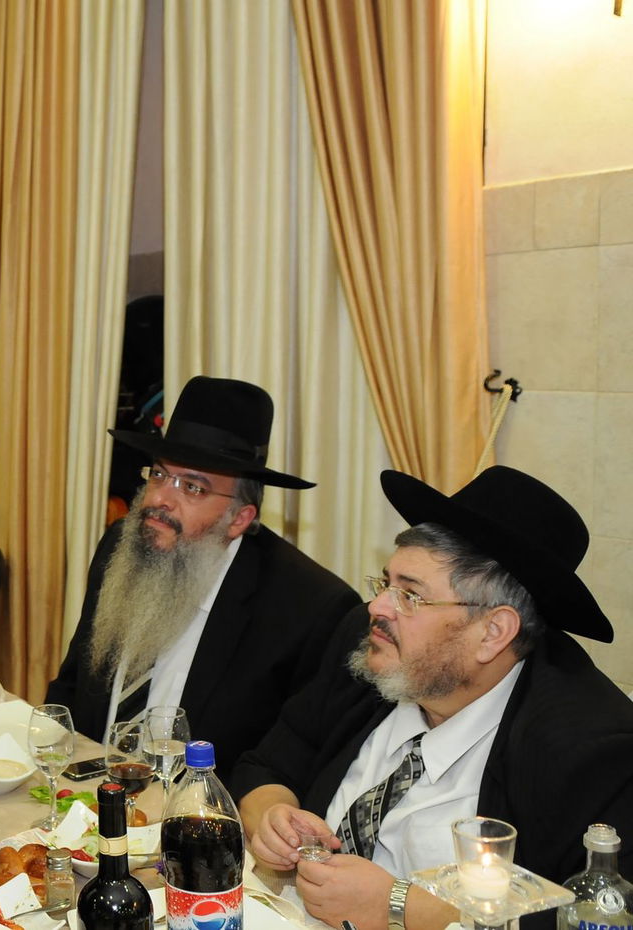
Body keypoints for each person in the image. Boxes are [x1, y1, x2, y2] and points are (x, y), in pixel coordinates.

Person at [235, 466, 633, 930]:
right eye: (386, 584)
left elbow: (592, 916)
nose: (377, 607)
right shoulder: (371, 650)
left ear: (493, 632)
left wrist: (400, 906)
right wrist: (272, 815)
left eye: (410, 596)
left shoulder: (590, 749)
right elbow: (266, 766)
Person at [44, 376, 359, 781]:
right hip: (90, 795)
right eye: (159, 475)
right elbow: (74, 683)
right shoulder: (122, 545)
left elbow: (291, 766)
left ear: (239, 518)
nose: (160, 499)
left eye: (193, 487)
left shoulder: (310, 608)